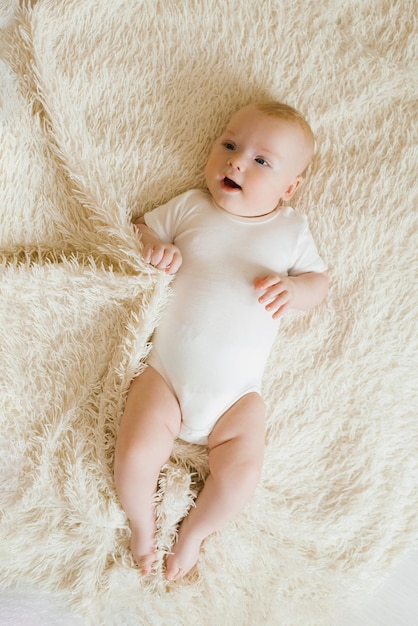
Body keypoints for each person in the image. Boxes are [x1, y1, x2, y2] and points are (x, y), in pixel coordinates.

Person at [114, 101, 329, 581]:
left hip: (237, 397)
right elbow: (142, 228)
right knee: (133, 453)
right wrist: (154, 244)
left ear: (289, 187)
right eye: (229, 146)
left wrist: (294, 289)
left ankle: (193, 535)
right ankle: (141, 526)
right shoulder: (191, 206)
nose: (236, 161)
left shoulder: (291, 231)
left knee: (241, 475)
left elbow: (320, 283)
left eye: (260, 161)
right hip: (166, 376)